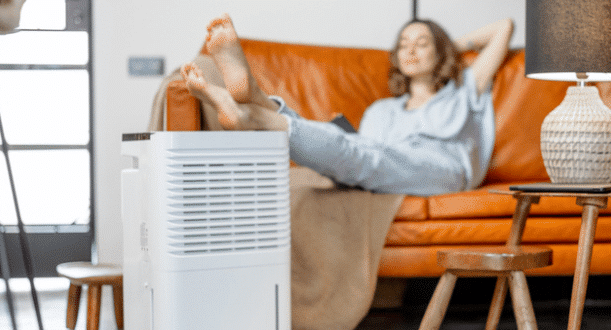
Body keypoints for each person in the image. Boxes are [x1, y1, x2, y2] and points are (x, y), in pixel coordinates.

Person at [181, 14, 514, 196]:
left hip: (442, 169)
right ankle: (254, 105)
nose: (411, 51)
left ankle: (257, 107)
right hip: (379, 163)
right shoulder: (382, 111)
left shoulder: (463, 89)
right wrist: (431, 47)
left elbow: (504, 27)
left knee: (365, 155)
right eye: (404, 45)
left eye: (422, 44)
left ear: (439, 51)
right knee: (350, 147)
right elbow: (360, 151)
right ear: (396, 56)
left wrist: (448, 49)